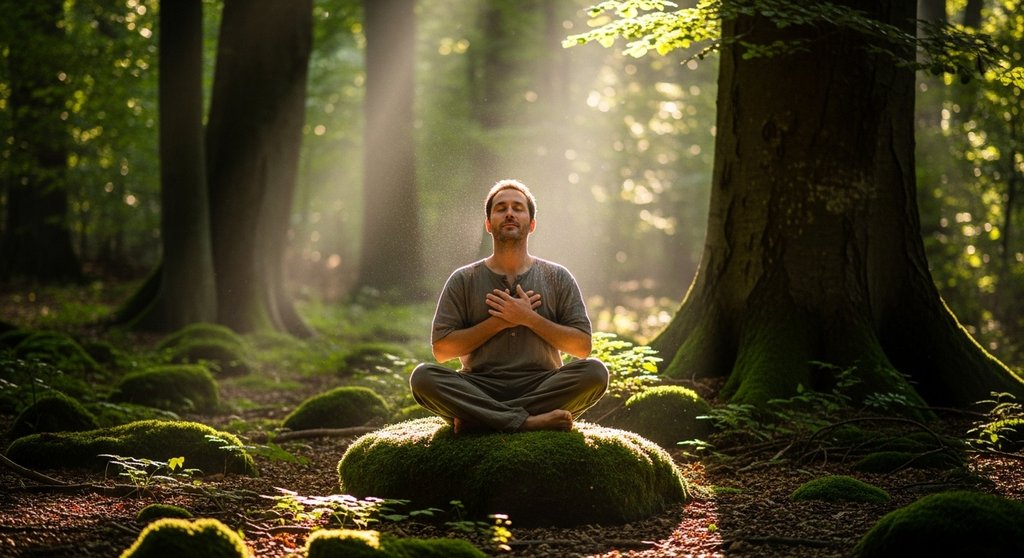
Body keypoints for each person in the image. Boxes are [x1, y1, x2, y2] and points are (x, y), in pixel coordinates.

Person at [409, 179, 609, 433]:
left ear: (532, 223)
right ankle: (529, 422)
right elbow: (442, 350)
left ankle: (483, 421)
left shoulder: (557, 277)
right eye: (501, 208)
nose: (510, 213)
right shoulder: (464, 279)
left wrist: (529, 318)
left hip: (542, 385)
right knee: (423, 378)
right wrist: (499, 322)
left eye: (518, 208)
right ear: (488, 224)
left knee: (595, 372)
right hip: (479, 386)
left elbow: (582, 347)